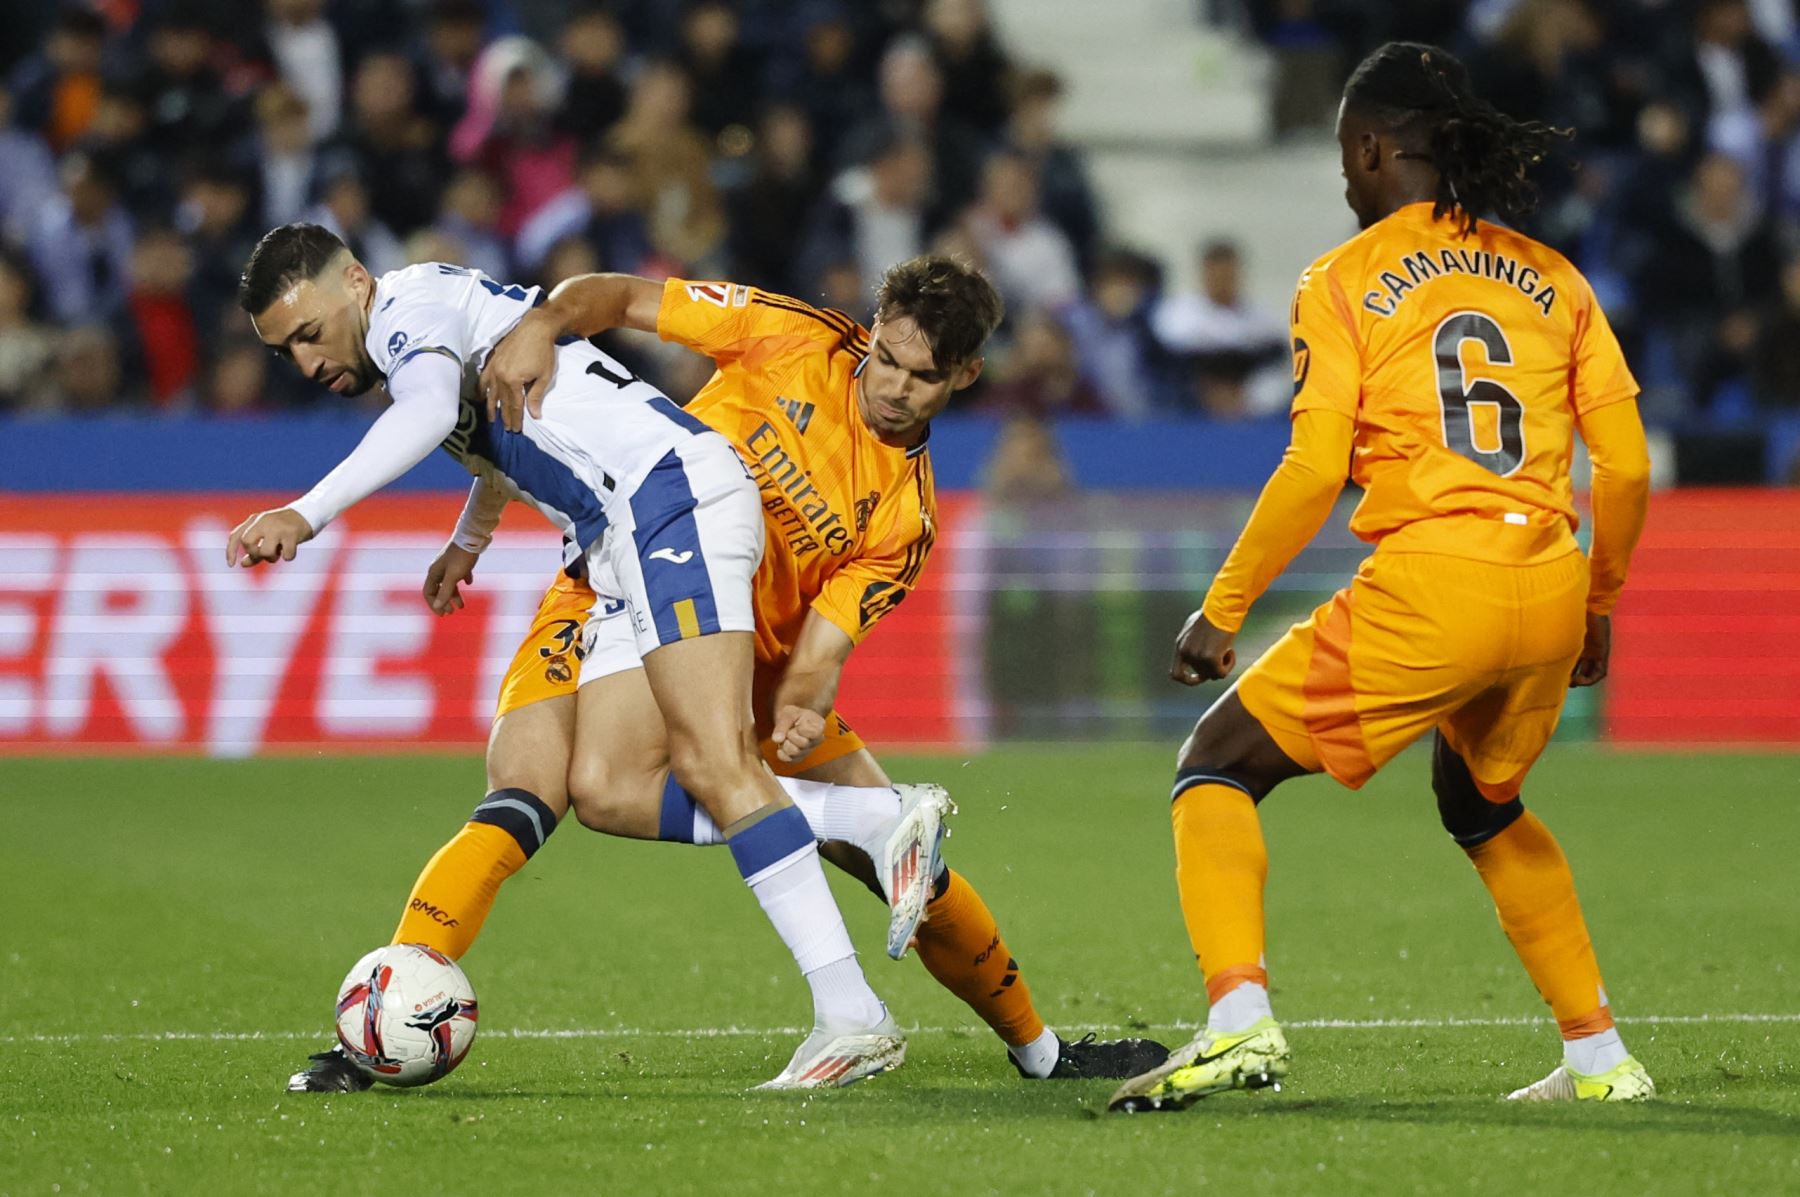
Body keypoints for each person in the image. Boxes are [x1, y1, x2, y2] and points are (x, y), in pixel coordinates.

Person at [373, 257, 1167, 1088]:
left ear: (967, 375)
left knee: (908, 873)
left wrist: (799, 706)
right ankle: (390, 1010)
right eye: (885, 359)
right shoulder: (789, 334)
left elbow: (818, 654)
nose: (892, 386)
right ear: (872, 329)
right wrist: (539, 325)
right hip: (611, 588)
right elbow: (616, 297)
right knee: (528, 788)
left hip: (752, 666)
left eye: (922, 377)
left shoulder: (906, 515)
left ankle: (1041, 1051)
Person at [227, 223, 906, 1091]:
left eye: (309, 334)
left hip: (667, 499)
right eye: (284, 351)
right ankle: (863, 827)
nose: (307, 362)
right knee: (605, 786)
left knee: (710, 760)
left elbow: (433, 409)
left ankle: (853, 1005)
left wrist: (307, 512)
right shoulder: (429, 312)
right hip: (619, 533)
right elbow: (498, 431)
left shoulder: (403, 316)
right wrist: (468, 539)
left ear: (355, 282)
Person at [1108, 42, 1654, 1113]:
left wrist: (1222, 611)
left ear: (1371, 148)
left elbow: (1314, 464)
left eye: (1344, 160)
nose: (1343, 183)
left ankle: (1237, 1021)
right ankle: (1600, 1057)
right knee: (1482, 801)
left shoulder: (1343, 278)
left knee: (1214, 766)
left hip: (1437, 579)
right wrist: (1599, 603)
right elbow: (1627, 464)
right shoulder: (1555, 275)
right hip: (1546, 578)